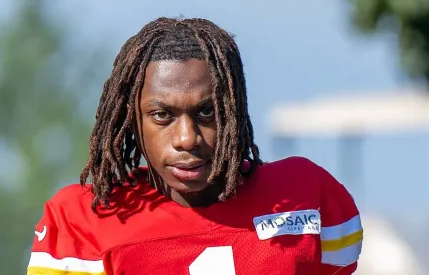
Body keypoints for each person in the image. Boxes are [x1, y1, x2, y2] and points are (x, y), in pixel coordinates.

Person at [26, 17, 363, 275]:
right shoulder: (82, 220)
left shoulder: (304, 195)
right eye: (162, 115)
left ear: (233, 110)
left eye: (206, 112)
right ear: (132, 120)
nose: (187, 138)